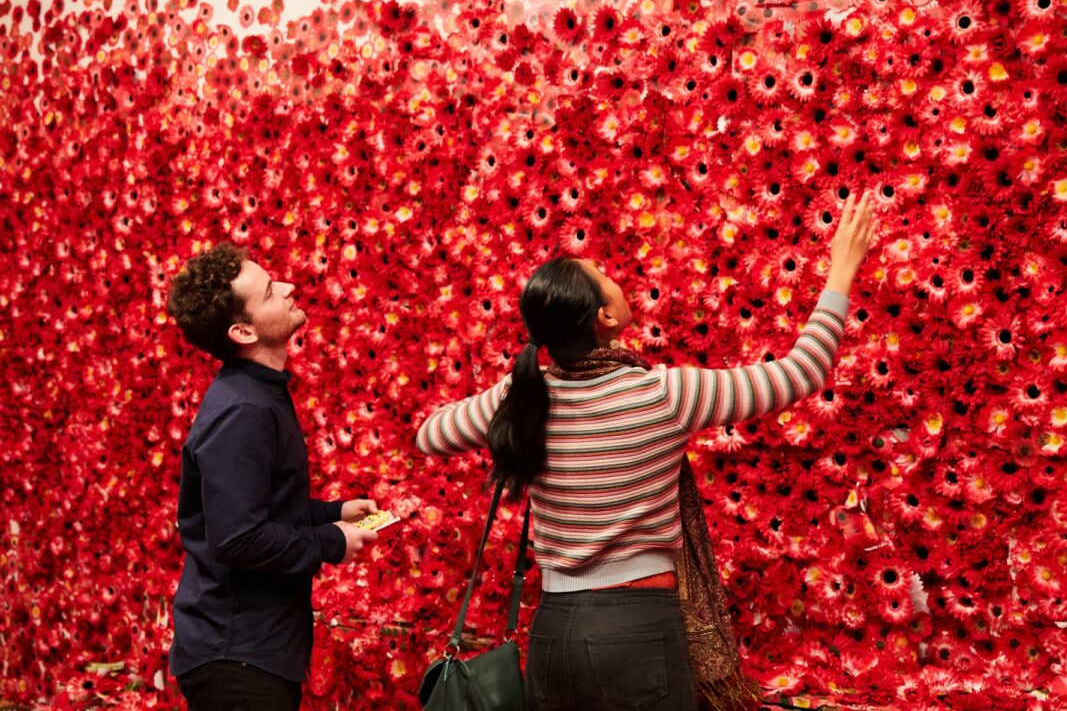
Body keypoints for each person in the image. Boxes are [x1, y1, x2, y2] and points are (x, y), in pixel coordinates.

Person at [416, 192, 877, 710]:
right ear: (606, 316)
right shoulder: (662, 395)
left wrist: (510, 393)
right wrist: (842, 272)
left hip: (553, 633)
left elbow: (430, 435)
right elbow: (800, 373)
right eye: (602, 273)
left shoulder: (523, 397)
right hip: (636, 631)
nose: (614, 275)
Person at [165, 242, 380, 711]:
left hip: (253, 649)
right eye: (268, 292)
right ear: (243, 330)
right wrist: (332, 540)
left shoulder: (257, 394)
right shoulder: (243, 410)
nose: (287, 287)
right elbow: (238, 539)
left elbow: (256, 511)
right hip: (236, 653)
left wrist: (335, 513)